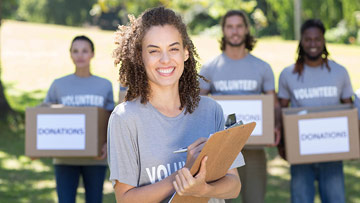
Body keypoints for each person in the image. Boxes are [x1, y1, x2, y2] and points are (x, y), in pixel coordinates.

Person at [107, 7, 245, 203]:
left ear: (186, 53)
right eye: (154, 51)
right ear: (139, 57)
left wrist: (202, 189)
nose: (165, 59)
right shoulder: (125, 118)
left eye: (173, 49)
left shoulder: (211, 110)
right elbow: (125, 199)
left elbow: (234, 186)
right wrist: (184, 174)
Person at [199, 10, 281, 203]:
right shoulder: (210, 68)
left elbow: (274, 105)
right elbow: (199, 106)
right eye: (230, 27)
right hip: (220, 150)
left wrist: (275, 127)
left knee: (255, 198)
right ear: (223, 31)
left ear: (246, 30)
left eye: (239, 26)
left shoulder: (262, 67)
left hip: (254, 148)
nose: (234, 31)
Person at [278, 19, 353, 203]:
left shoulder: (339, 72)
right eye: (308, 39)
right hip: (301, 151)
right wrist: (282, 144)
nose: (313, 44)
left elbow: (350, 109)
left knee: (335, 199)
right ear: (301, 42)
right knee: (301, 199)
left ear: (323, 41)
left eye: (317, 39)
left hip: (333, 151)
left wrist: (353, 143)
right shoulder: (288, 74)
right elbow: (281, 109)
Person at [44, 35, 115, 203]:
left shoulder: (104, 85)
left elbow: (112, 119)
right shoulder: (58, 85)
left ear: (92, 54)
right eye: (75, 51)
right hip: (64, 158)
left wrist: (107, 144)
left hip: (96, 159)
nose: (80, 55)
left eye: (84, 51)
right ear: (70, 54)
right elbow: (44, 116)